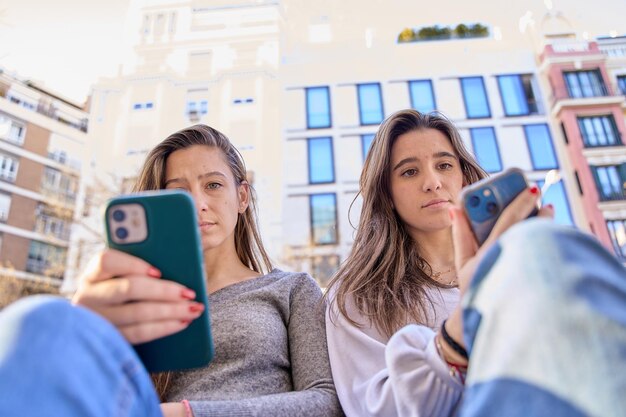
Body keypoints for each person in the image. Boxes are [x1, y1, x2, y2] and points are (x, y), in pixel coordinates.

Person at [0, 124, 343, 417]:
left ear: (242, 197)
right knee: (41, 319)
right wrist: (85, 329)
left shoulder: (292, 289)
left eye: (213, 185)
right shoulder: (134, 300)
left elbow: (326, 401)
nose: (198, 203)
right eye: (178, 192)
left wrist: (186, 412)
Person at [325, 109, 626, 417]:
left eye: (444, 165)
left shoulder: (512, 265)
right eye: (409, 172)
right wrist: (461, 325)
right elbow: (375, 411)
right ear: (386, 193)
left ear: (464, 177)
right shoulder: (359, 294)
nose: (433, 182)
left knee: (554, 242)